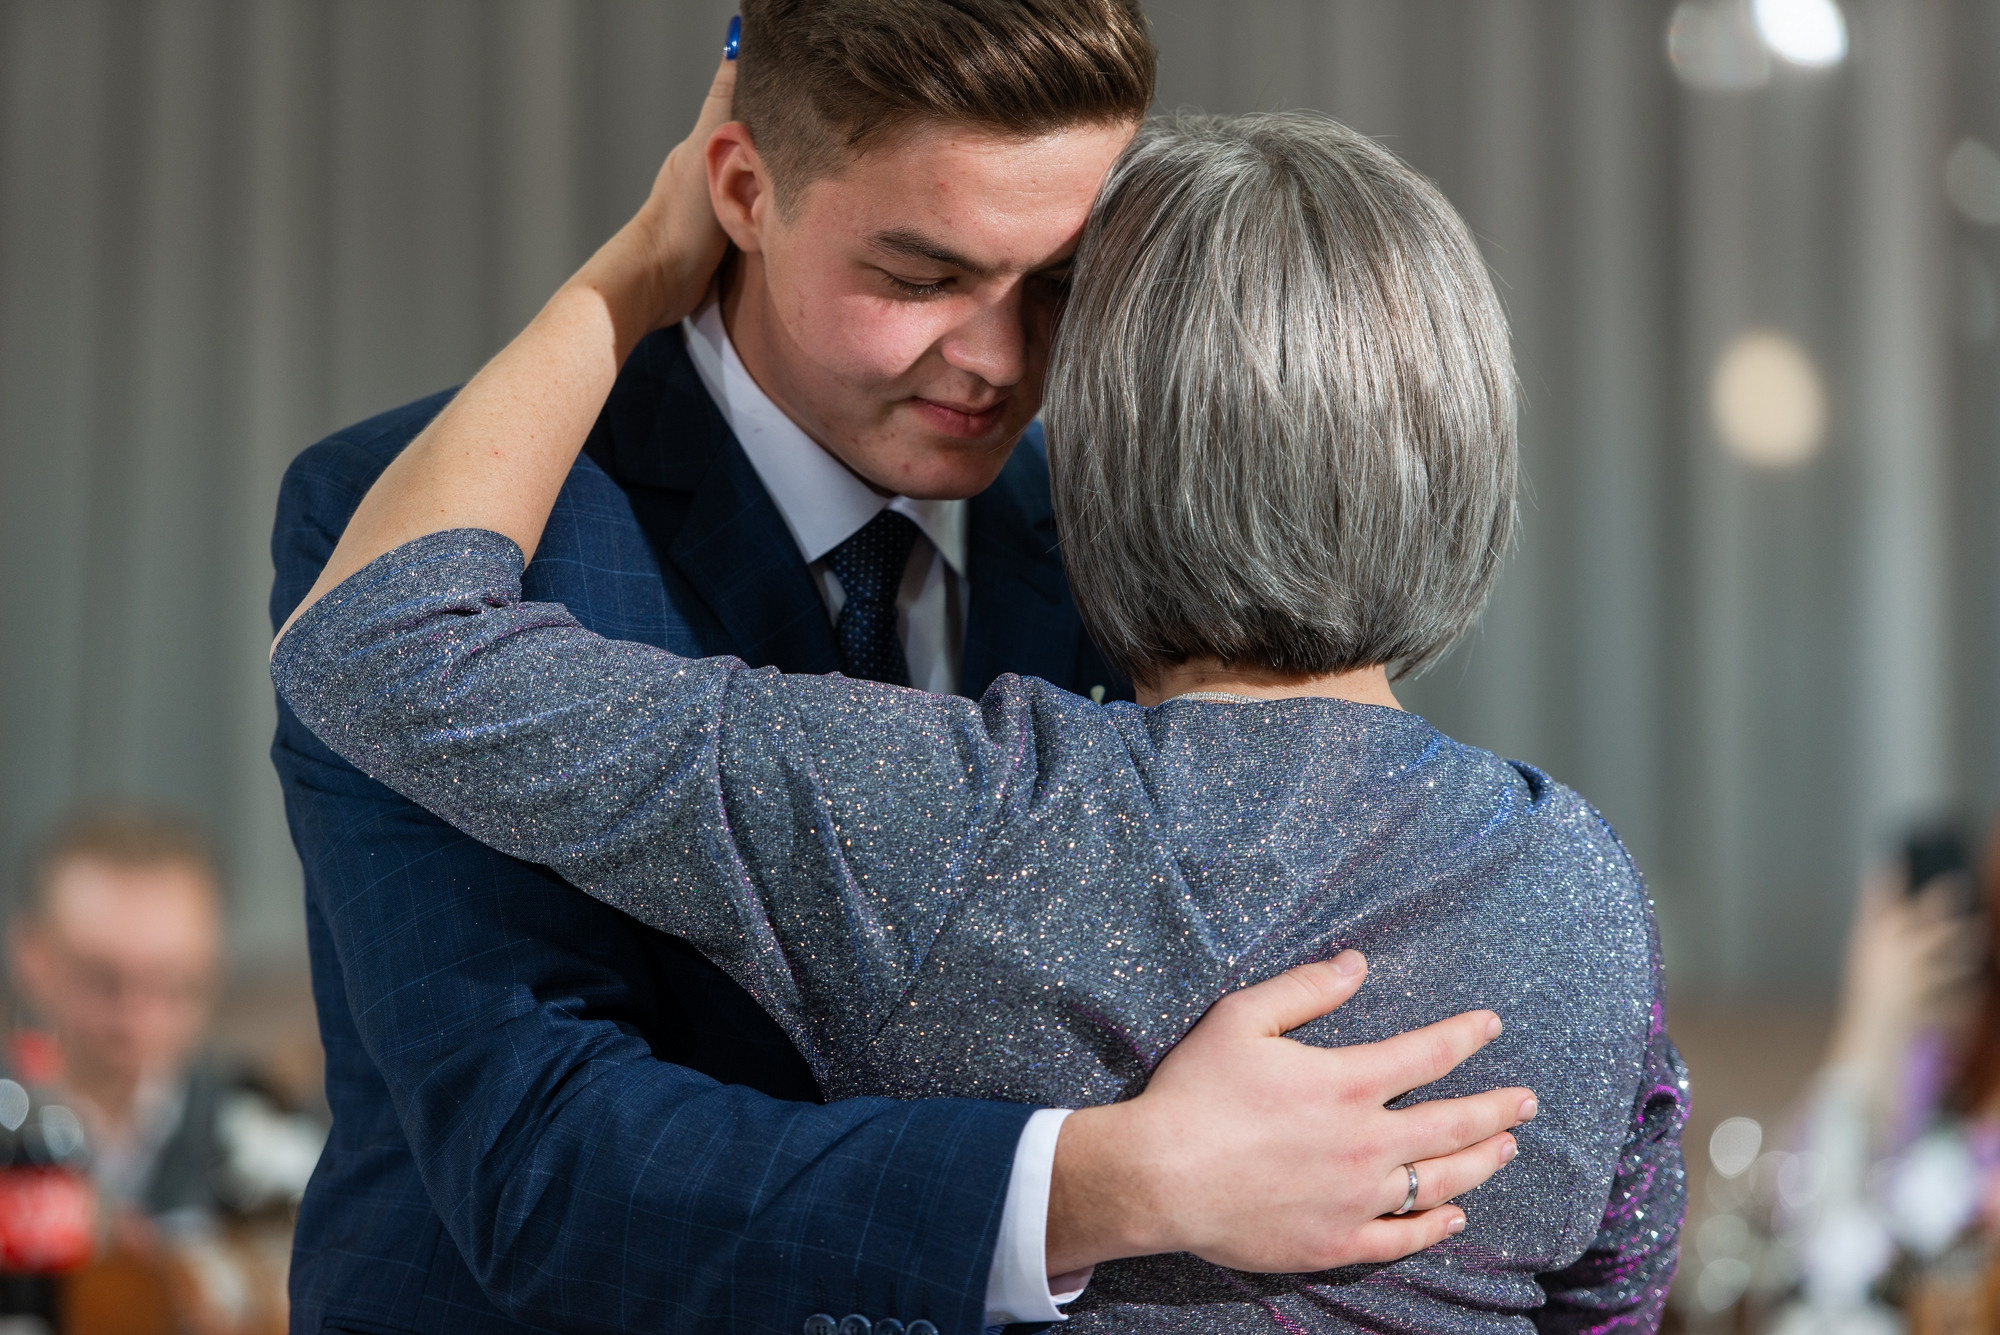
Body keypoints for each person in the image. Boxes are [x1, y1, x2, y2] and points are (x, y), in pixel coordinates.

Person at [271, 92, 1689, 1333]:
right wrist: (1117, 1183)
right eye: (923, 270)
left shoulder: (983, 759)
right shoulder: (1581, 877)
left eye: (1061, 288)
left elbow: (385, 648)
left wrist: (637, 271)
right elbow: (1615, 1284)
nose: (1004, 363)